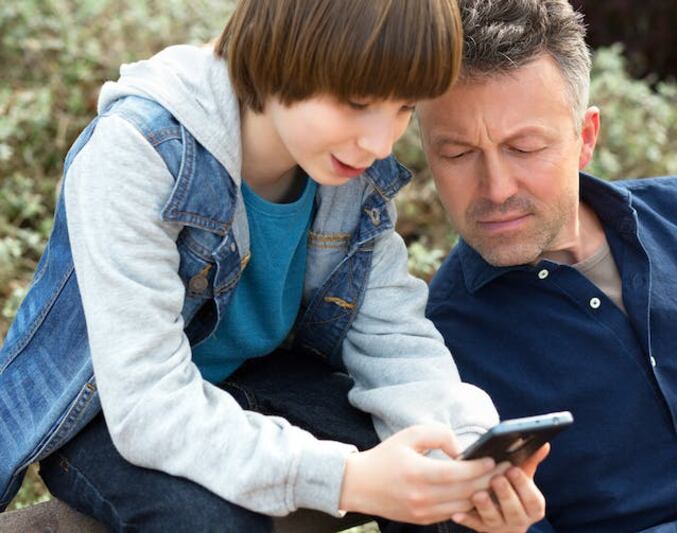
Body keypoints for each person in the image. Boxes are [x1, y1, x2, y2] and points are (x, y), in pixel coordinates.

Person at [0, 1, 547, 531]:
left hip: (256, 384)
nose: (380, 143)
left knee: (443, 461)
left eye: (403, 108)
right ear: (282, 52)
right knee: (206, 521)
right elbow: (147, 407)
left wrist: (474, 450)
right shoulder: (140, 150)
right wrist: (345, 478)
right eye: (358, 102)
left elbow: (393, 338)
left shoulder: (348, 172)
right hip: (117, 416)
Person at [414, 0, 677, 531]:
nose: (497, 189)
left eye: (524, 147)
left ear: (586, 139)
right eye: (457, 154)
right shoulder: (439, 352)